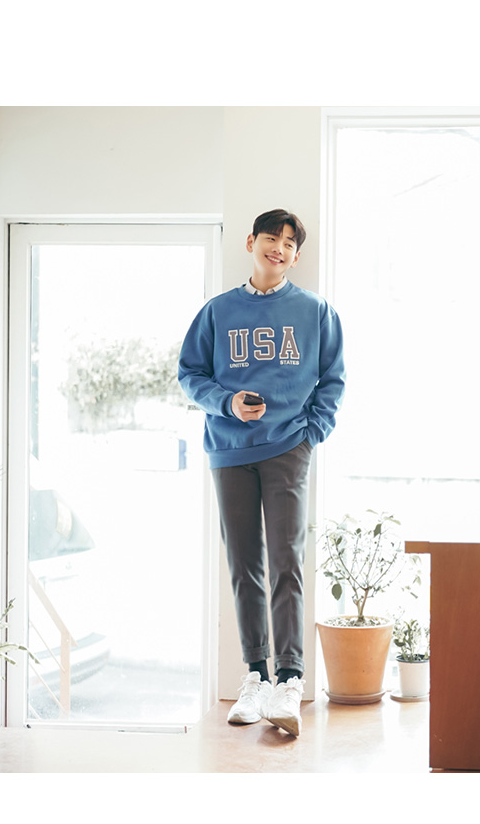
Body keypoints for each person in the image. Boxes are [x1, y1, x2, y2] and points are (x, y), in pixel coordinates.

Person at [177, 204, 344, 741]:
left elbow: (333, 379)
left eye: (290, 243)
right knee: (244, 563)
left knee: (286, 562)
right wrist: (226, 403)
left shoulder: (316, 312)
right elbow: (189, 373)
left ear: (296, 256)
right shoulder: (217, 312)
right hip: (229, 451)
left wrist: (312, 431)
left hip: (288, 448)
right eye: (272, 238)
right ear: (251, 243)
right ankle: (256, 675)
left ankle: (289, 681)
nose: (280, 248)